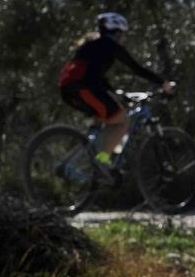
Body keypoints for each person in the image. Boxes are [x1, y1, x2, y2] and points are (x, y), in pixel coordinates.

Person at [58, 12, 174, 165]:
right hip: (83, 89)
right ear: (117, 32)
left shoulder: (91, 44)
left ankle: (92, 163)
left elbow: (92, 73)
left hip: (68, 90)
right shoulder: (110, 45)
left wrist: (112, 92)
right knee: (122, 121)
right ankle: (102, 162)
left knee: (106, 118)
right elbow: (136, 68)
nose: (123, 38)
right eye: (122, 34)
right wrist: (163, 83)